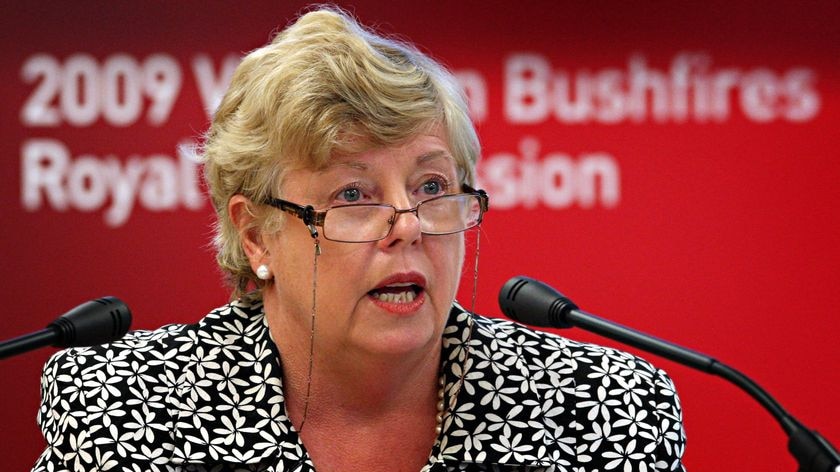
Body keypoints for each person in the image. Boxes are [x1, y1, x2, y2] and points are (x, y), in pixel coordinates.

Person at [33, 7, 686, 472]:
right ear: (256, 234)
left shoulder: (606, 412)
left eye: (432, 187)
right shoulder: (126, 407)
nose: (406, 225)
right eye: (353, 195)